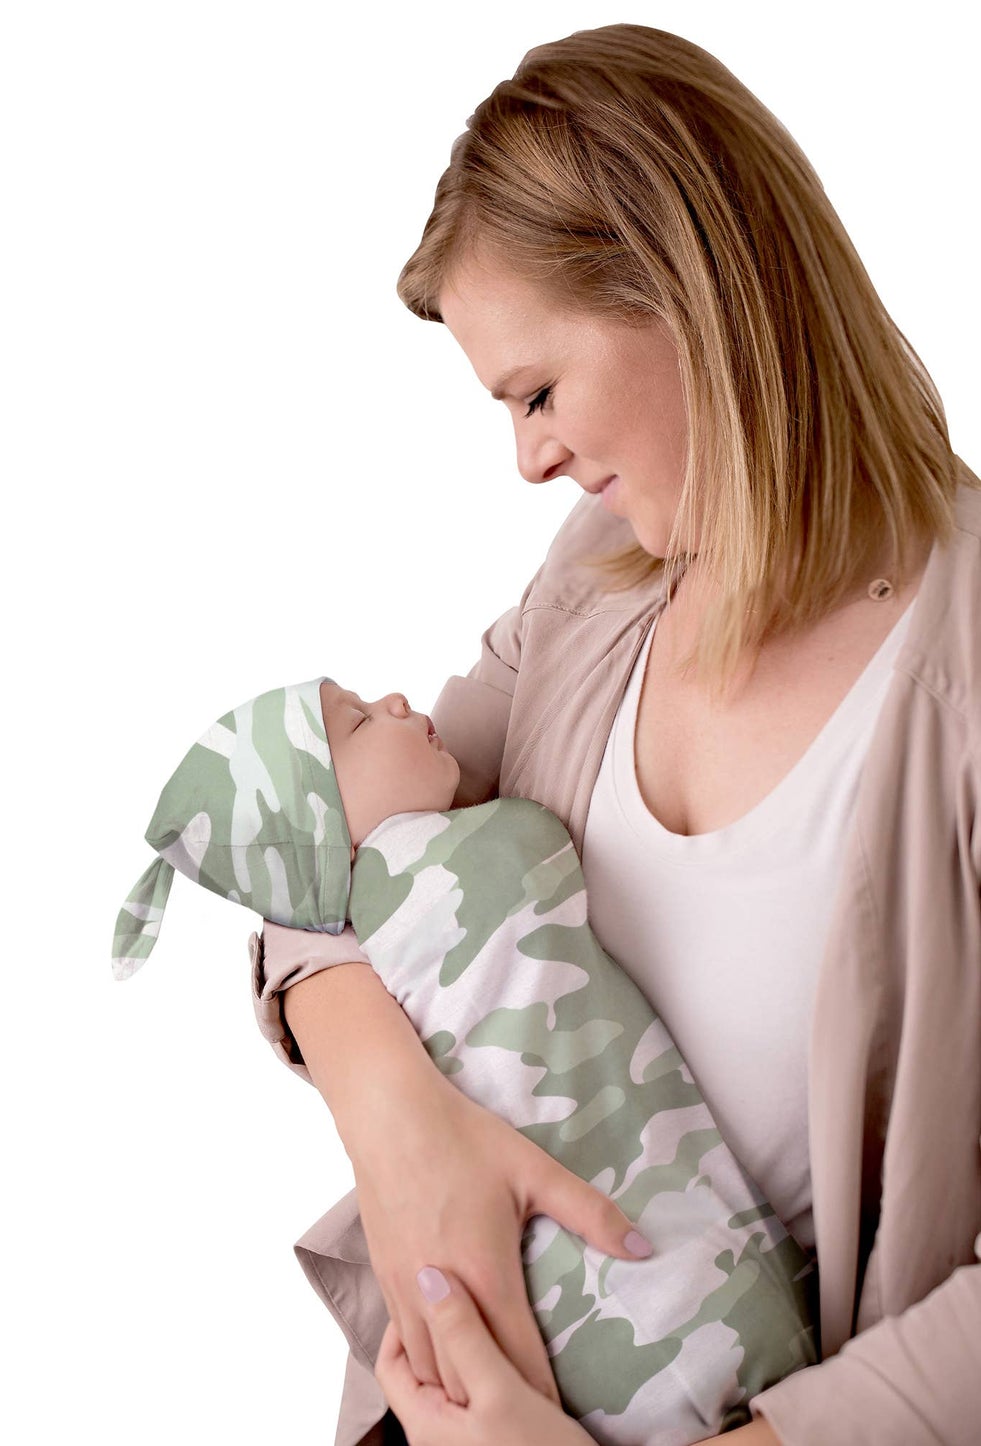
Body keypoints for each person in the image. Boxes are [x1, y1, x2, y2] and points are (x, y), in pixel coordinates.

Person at [246, 23, 981, 1446]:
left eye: (534, 392)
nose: (527, 458)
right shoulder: (595, 583)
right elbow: (322, 856)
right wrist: (396, 1118)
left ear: (689, 293)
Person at [114, 676, 816, 1443]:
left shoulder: (364, 923)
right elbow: (513, 848)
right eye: (353, 723)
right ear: (322, 834)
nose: (390, 700)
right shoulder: (465, 852)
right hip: (696, 1297)